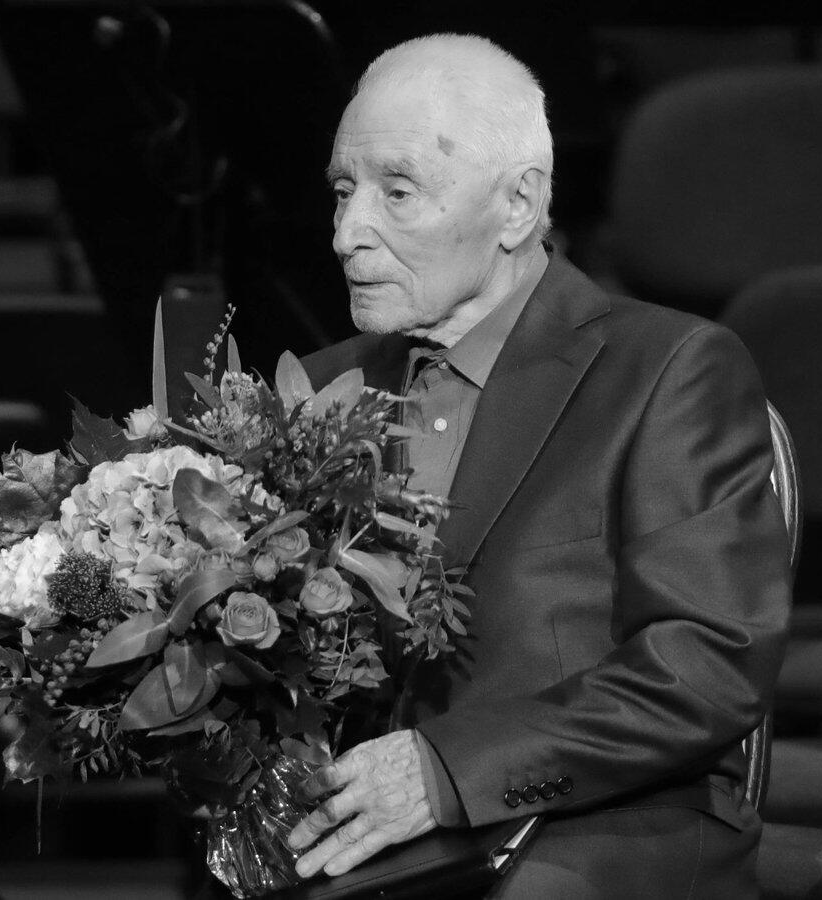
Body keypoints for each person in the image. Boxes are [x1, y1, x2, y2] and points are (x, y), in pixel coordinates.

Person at [291, 34, 790, 897]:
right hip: (365, 827)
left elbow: (706, 663)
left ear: (518, 206)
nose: (347, 233)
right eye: (343, 191)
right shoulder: (319, 387)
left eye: (396, 192)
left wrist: (445, 772)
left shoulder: (666, 370)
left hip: (604, 817)